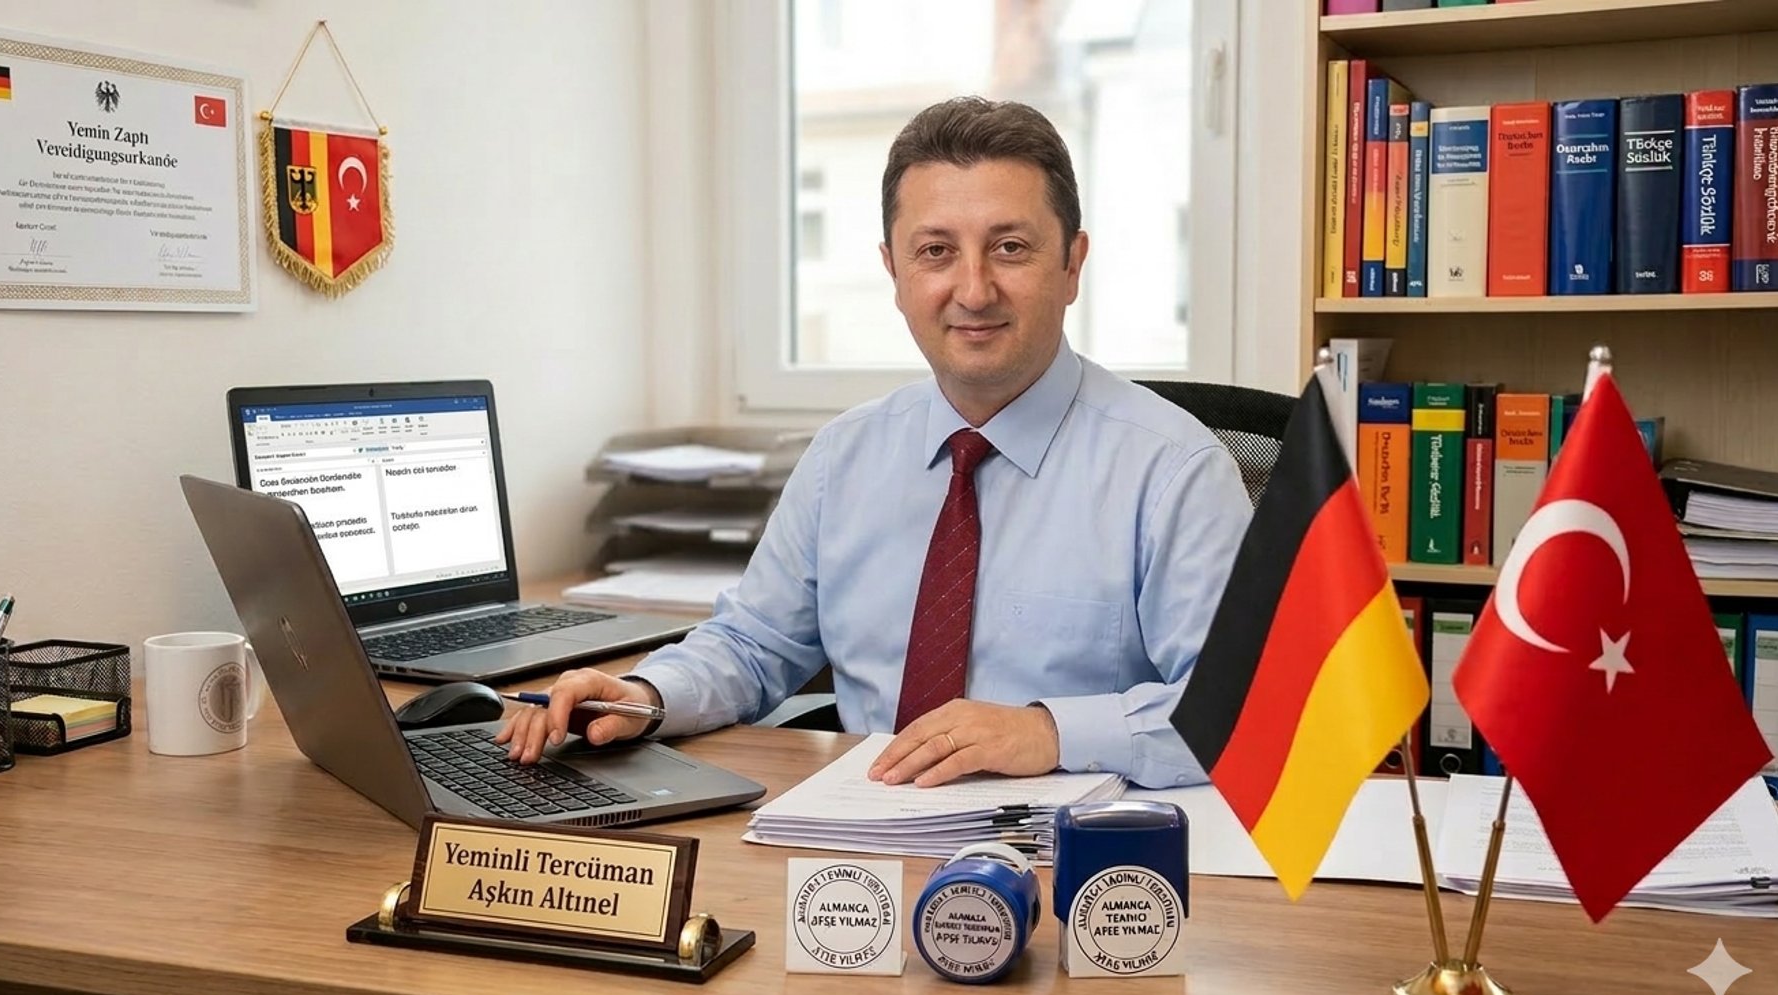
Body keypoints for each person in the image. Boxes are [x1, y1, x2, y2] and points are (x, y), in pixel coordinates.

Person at [498, 96, 1252, 789]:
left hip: (1082, 864)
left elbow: (1242, 714)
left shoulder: (1174, 471)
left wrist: (1049, 730)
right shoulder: (844, 458)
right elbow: (754, 646)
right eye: (935, 251)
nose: (974, 288)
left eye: (1011, 247)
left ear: (1072, 265)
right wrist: (644, 695)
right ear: (893, 271)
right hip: (856, 860)